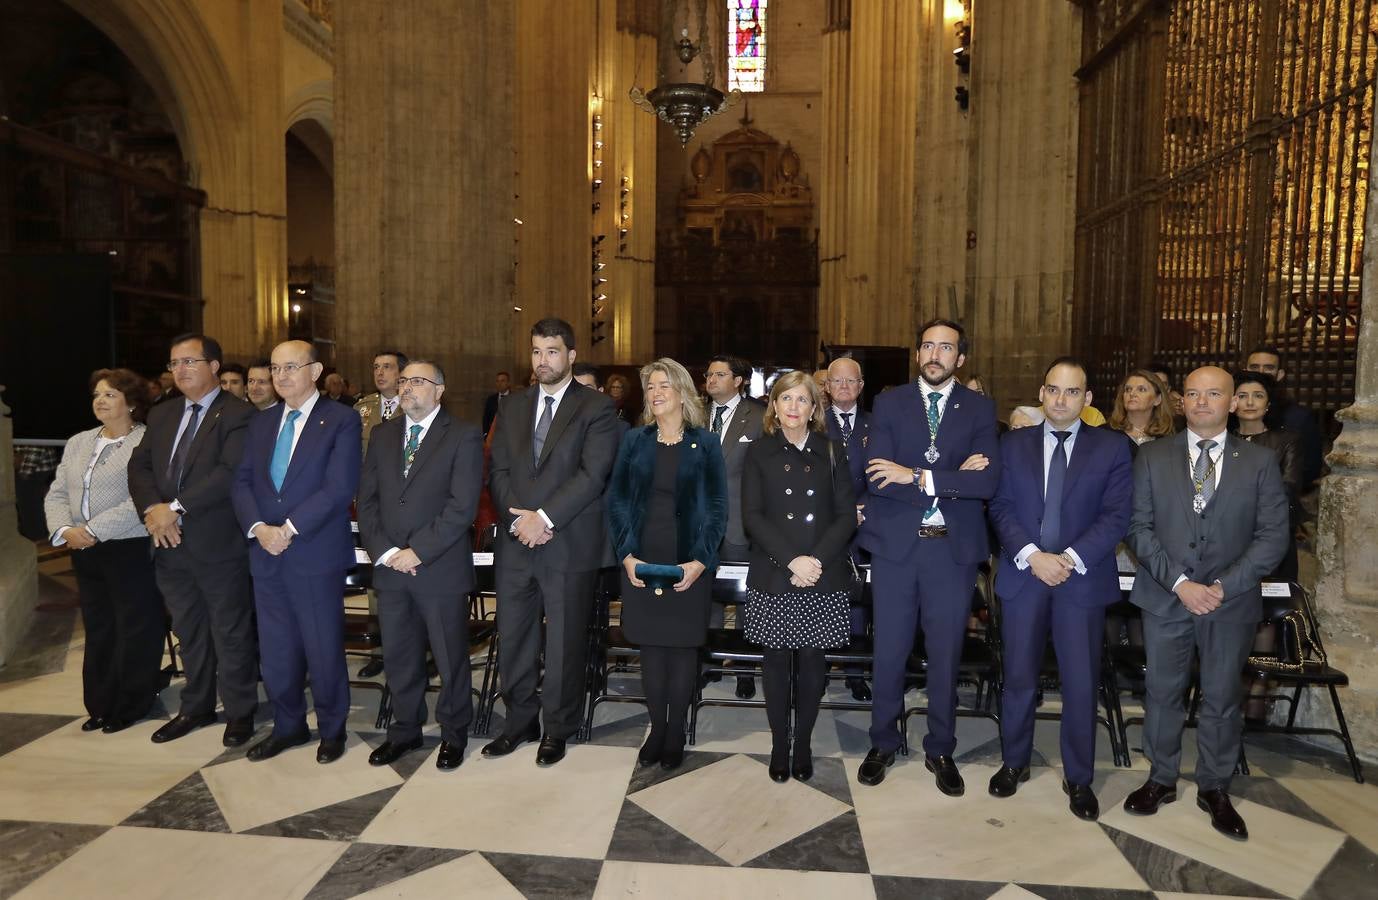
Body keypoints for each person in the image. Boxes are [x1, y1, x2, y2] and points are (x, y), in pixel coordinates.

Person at [1122, 366, 1289, 841]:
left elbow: (1272, 535)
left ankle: (1214, 787)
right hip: (1166, 597)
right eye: (1192, 394)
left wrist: (1223, 586)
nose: (1201, 402)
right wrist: (1179, 583)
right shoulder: (1153, 456)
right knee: (1162, 693)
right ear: (1180, 401)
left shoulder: (1258, 462)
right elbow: (1138, 527)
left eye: (1213, 394)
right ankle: (1160, 778)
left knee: (1220, 697)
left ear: (1232, 402)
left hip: (1228, 603)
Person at [856, 319, 1000, 792]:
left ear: (961, 359)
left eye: (947, 347)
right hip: (898, 549)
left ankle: (941, 748)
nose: (935, 354)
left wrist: (917, 477)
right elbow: (878, 476)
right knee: (890, 650)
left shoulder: (979, 408)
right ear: (918, 354)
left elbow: (987, 483)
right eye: (927, 346)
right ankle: (883, 741)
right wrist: (949, 478)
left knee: (945, 654)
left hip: (951, 554)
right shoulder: (889, 401)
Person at [987, 357, 1133, 820]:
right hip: (1025, 575)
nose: (1061, 399)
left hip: (1080, 581)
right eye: (1053, 390)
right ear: (1041, 393)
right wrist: (1033, 555)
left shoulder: (1112, 448)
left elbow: (1116, 515)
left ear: (1087, 399)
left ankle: (1080, 778)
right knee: (1018, 678)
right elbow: (1000, 506)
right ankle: (1014, 762)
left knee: (1080, 681)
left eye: (1072, 392)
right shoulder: (1013, 445)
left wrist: (1067, 560)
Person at [485, 317, 620, 767]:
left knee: (564, 642)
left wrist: (544, 518)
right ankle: (519, 721)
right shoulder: (513, 406)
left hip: (568, 541)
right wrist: (517, 518)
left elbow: (593, 474)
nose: (543, 361)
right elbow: (499, 471)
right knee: (516, 636)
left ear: (571, 355)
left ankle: (557, 728)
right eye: (537, 352)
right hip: (516, 542)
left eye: (553, 352)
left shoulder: (596, 408)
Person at [232, 340, 362, 764]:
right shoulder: (262, 424)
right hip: (265, 552)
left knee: (321, 647)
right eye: (275, 368)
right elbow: (243, 482)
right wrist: (258, 528)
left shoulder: (340, 419)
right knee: (276, 649)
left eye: (291, 367)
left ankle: (331, 729)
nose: (281, 376)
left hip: (312, 551)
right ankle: (288, 726)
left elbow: (339, 488)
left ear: (316, 369)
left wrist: (287, 529)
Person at [128, 333, 257, 748]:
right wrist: (154, 510)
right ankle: (196, 705)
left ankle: (240, 712)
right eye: (174, 363)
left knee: (230, 631)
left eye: (189, 362)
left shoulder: (239, 414)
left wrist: (175, 507)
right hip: (168, 542)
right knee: (190, 629)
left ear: (214, 367)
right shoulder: (163, 414)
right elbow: (140, 467)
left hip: (218, 544)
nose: (180, 370)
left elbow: (228, 472)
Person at [357, 359, 483, 772]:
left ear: (439, 390)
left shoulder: (462, 435)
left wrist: (418, 551)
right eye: (404, 380)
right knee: (398, 655)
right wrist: (387, 552)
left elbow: (462, 506)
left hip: (439, 567)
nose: (407, 386)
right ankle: (405, 730)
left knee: (449, 657)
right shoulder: (383, 434)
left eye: (417, 381)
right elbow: (368, 499)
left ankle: (453, 733)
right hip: (391, 568)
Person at [606, 358, 727, 770]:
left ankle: (675, 732)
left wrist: (700, 560)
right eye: (650, 387)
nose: (656, 394)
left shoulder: (706, 443)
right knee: (652, 650)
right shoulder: (634, 440)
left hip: (689, 561)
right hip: (642, 559)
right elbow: (618, 500)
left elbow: (716, 508)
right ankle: (658, 729)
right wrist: (625, 554)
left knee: (682, 650)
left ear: (681, 393)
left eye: (664, 386)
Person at [742, 371, 857, 782]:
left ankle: (803, 741)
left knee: (812, 663)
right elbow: (752, 516)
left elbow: (846, 514)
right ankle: (778, 743)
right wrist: (792, 560)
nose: (793, 407)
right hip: (777, 571)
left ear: (814, 408)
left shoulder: (831, 450)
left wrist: (815, 561)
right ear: (774, 406)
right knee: (774, 663)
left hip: (820, 574)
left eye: (802, 400)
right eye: (785, 399)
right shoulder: (758, 452)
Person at [46, 368, 164, 734]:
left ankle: (131, 704)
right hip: (84, 549)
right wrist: (66, 529)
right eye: (97, 394)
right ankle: (99, 703)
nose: (100, 400)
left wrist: (93, 530)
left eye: (110, 394)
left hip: (127, 547)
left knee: (135, 627)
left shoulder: (145, 442)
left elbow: (141, 498)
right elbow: (58, 492)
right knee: (99, 628)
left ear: (131, 402)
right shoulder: (80, 441)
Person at [704, 353, 765, 699]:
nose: (711, 380)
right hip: (701, 525)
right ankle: (709, 662)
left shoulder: (756, 417)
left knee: (744, 599)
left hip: (739, 524)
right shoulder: (694, 414)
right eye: (709, 374)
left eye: (719, 375)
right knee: (704, 597)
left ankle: (744, 667)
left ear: (738, 380)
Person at [824, 356, 873, 701]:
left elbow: (888, 473)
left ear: (860, 386)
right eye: (836, 381)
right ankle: (820, 668)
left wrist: (864, 510)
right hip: (822, 527)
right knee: (823, 598)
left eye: (850, 381)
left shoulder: (878, 425)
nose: (844, 387)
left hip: (864, 526)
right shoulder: (813, 423)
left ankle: (856, 673)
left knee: (858, 601)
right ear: (826, 387)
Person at [1231, 370, 1302, 582]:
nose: (1250, 402)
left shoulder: (1287, 440)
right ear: (1232, 403)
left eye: (1258, 396)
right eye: (1242, 396)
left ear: (1269, 404)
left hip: (1272, 533)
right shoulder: (1221, 441)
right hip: (1227, 537)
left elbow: (1288, 487)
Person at [1244, 345, 1323, 490]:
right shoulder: (1230, 413)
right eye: (1255, 367)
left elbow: (1310, 468)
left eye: (1268, 367)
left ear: (1280, 374)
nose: (1261, 373)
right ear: (1245, 370)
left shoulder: (1299, 418)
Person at [355, 350, 409, 454]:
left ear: (402, 373)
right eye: (376, 367)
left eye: (387, 367)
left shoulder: (414, 407)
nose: (379, 373)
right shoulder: (361, 407)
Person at [1108, 369, 1176, 448]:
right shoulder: (1106, 433)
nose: (1132, 394)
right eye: (1128, 389)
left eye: (1141, 389)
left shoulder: (1169, 436)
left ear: (1157, 399)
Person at [483, 371, 512, 436]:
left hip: (510, 435)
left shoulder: (515, 398)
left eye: (502, 381)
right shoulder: (490, 399)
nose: (499, 383)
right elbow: (486, 419)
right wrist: (485, 435)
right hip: (493, 436)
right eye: (497, 381)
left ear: (508, 383)